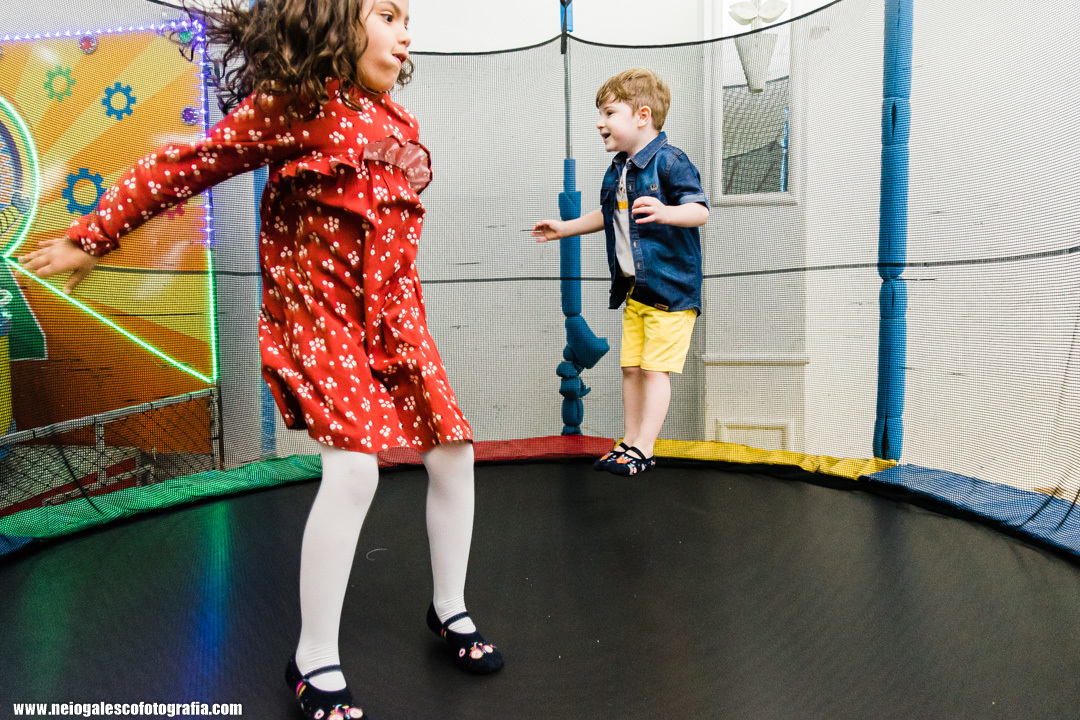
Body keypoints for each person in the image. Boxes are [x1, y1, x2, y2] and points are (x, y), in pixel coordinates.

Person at [18, 0, 502, 717]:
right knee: (355, 469)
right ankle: (314, 658)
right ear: (337, 21)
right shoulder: (296, 106)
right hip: (323, 312)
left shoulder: (398, 123)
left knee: (454, 453)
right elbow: (186, 165)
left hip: (396, 314)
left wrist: (403, 325)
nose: (406, 35)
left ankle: (449, 608)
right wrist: (91, 237)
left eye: (409, 22)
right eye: (388, 15)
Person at [532, 68, 709, 477]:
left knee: (654, 370)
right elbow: (607, 214)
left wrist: (666, 212)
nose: (600, 122)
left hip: (672, 291)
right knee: (631, 369)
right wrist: (565, 228)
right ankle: (628, 441)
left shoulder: (670, 161)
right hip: (636, 291)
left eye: (609, 113)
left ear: (642, 116)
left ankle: (645, 448)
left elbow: (699, 210)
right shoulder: (618, 169)